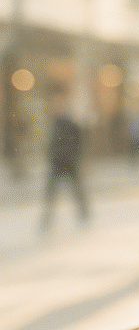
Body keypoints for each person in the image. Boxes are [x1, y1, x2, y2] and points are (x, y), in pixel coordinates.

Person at [40, 86, 89, 231]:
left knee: (75, 190)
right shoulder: (55, 122)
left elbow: (78, 142)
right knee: (53, 192)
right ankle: (47, 219)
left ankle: (83, 214)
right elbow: (51, 143)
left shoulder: (70, 123)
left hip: (68, 161)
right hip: (58, 162)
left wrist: (76, 158)